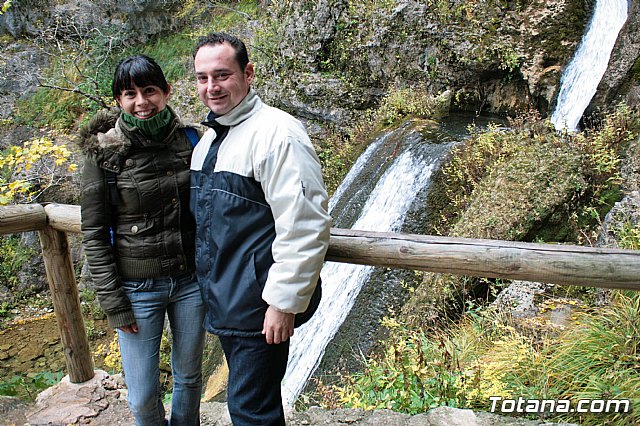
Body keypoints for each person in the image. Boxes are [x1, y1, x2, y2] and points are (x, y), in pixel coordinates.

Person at [190, 33, 331, 425]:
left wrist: (284, 302)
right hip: (228, 298)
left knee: (252, 410)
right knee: (253, 406)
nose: (211, 87)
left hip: (259, 303)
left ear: (248, 73)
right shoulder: (209, 141)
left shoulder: (277, 133)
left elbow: (305, 222)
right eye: (202, 78)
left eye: (222, 75)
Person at [79, 55, 206, 426]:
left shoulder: (192, 140)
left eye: (149, 91)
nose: (141, 102)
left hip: (190, 282)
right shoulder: (105, 153)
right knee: (142, 395)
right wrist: (114, 302)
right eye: (130, 93)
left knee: (188, 377)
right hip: (137, 287)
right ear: (118, 100)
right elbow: (94, 232)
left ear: (166, 92)